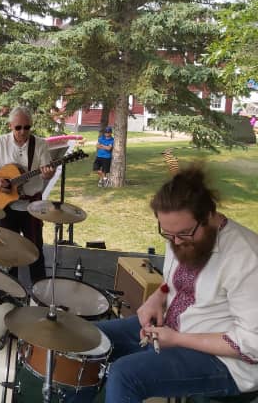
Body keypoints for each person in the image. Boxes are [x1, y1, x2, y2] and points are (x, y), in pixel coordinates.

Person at [70, 165, 258, 402]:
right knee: (85, 340)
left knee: (125, 375)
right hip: (170, 332)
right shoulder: (180, 236)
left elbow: (251, 344)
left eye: (184, 233)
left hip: (227, 364)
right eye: (168, 235)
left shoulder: (247, 257)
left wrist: (178, 339)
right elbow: (172, 282)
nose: (176, 242)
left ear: (209, 215)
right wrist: (157, 297)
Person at [0, 106, 54, 284]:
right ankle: (10, 289)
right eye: (18, 127)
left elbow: (47, 170)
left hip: (32, 206)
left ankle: (40, 291)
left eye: (27, 127)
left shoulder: (40, 145)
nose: (23, 131)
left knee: (35, 249)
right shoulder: (0, 143)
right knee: (7, 250)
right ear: (10, 126)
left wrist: (48, 173)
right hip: (6, 206)